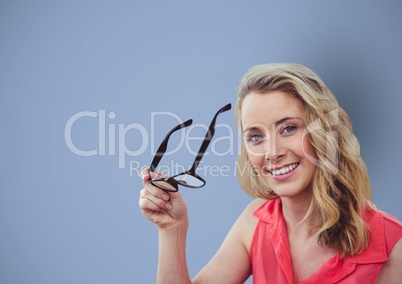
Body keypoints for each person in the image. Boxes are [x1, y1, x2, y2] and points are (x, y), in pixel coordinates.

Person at [138, 63, 402, 283]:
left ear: (324, 134)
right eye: (255, 136)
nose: (272, 152)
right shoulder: (255, 222)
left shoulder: (392, 246)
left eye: (288, 128)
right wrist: (172, 229)